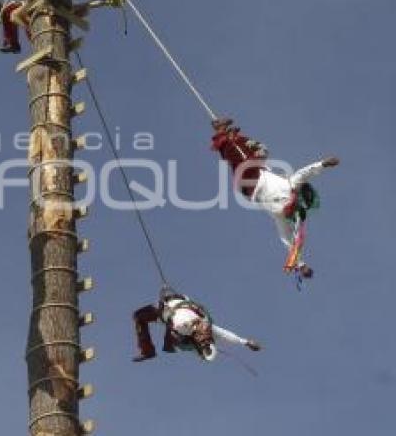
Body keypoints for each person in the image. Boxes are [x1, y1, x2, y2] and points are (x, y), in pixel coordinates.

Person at [211, 117, 339, 277]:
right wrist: (323, 164)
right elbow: (304, 173)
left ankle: (222, 134)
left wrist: (300, 265)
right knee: (254, 153)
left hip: (252, 185)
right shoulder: (292, 185)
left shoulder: (286, 219)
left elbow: (290, 241)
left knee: (243, 160)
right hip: (257, 174)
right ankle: (231, 136)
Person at [132, 287, 261, 362]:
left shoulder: (189, 334)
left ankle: (148, 351)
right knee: (140, 317)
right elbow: (225, 335)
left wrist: (245, 342)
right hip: (176, 306)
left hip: (170, 311)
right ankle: (148, 351)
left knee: (139, 317)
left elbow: (224, 336)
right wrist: (245, 342)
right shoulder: (208, 328)